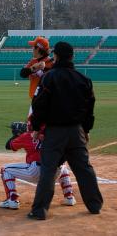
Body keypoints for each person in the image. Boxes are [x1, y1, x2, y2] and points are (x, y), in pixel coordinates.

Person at [28, 42, 103, 220]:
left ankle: (40, 211)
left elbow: (39, 105)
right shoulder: (83, 79)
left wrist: (37, 127)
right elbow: (89, 108)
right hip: (76, 131)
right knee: (84, 169)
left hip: (55, 132)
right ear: (72, 57)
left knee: (48, 170)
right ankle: (95, 205)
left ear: (56, 56)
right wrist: (86, 130)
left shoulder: (49, 77)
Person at [0, 122, 76, 210]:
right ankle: (69, 196)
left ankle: (12, 200)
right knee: (62, 166)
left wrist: (18, 134)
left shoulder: (27, 136)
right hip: (53, 173)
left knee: (5, 169)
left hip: (35, 172)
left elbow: (9, 145)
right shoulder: (54, 136)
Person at [20, 37, 53, 101]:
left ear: (38, 49)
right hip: (35, 99)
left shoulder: (51, 62)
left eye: (33, 47)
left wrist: (44, 69)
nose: (32, 49)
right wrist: (33, 68)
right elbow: (22, 74)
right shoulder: (33, 61)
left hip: (48, 100)